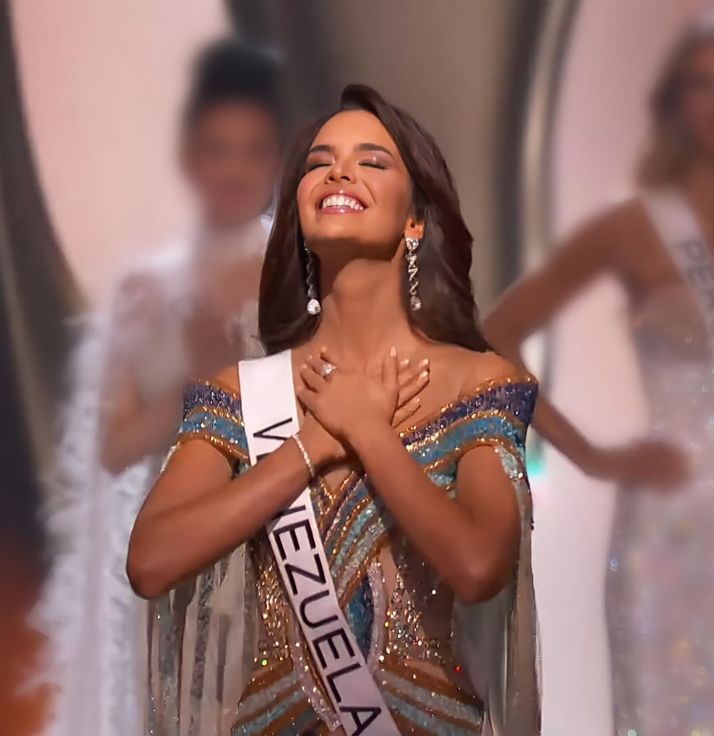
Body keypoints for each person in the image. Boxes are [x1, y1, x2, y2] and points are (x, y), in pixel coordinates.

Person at [129, 84, 540, 735]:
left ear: (415, 219)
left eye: (373, 161)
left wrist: (368, 430)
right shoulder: (244, 393)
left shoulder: (478, 381)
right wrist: (312, 444)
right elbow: (151, 561)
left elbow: (477, 565)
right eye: (320, 162)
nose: (340, 171)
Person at [483, 9, 714, 736]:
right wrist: (591, 455)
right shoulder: (634, 227)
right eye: (702, 84)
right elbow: (494, 337)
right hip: (676, 535)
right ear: (678, 104)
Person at [31, 38, 283, 736]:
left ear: (275, 160)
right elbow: (113, 448)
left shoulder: (300, 282)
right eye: (218, 147)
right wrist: (187, 384)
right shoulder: (148, 288)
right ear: (190, 155)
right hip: (165, 546)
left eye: (254, 149)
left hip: (272, 546)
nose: (234, 168)